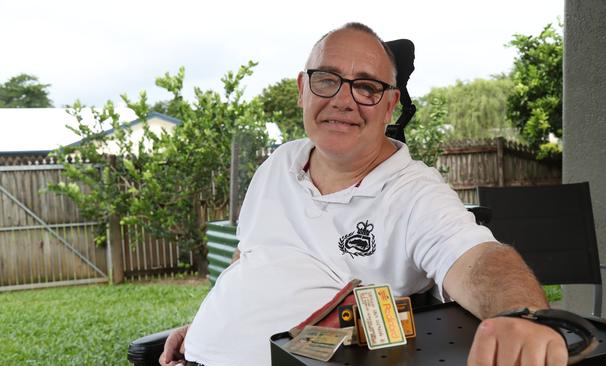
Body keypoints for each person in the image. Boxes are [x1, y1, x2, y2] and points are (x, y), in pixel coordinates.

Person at [160, 22, 568, 366]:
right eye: (327, 80)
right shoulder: (278, 164)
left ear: (390, 105)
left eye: (367, 87)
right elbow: (247, 257)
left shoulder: (412, 194)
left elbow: (479, 260)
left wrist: (522, 317)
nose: (343, 101)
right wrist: (210, 323)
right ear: (302, 89)